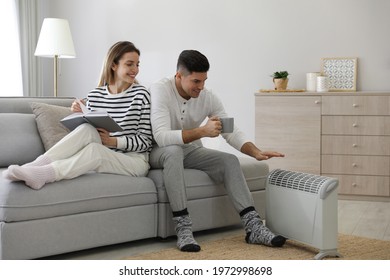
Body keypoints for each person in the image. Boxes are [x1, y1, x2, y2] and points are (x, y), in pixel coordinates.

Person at [149, 50, 286, 252]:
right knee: (173, 152)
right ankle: (184, 229)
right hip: (159, 152)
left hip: (187, 150)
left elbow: (229, 130)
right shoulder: (161, 89)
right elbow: (161, 136)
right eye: (196, 81)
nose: (201, 87)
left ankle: (253, 227)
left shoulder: (207, 96)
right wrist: (202, 131)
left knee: (229, 160)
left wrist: (255, 152)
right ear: (179, 76)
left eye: (204, 81)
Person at [3, 41, 152, 189]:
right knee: (87, 129)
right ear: (113, 65)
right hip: (106, 151)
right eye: (129, 64)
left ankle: (43, 175)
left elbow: (146, 142)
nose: (135, 69)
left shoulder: (141, 95)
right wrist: (81, 113)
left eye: (137, 64)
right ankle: (35, 166)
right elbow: (88, 133)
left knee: (95, 150)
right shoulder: (95, 95)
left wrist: (113, 141)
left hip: (134, 160)